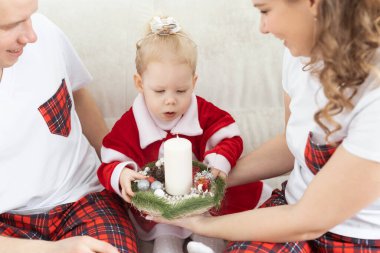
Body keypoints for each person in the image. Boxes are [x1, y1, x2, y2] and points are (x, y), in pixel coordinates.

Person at [151, 0, 380, 252]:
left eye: (264, 11)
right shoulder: (300, 55)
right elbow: (290, 146)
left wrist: (198, 223)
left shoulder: (374, 93)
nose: (263, 27)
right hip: (289, 211)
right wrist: (208, 182)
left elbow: (307, 222)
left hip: (355, 238)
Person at [97, 16, 268, 253]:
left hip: (201, 201)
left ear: (194, 82)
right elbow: (108, 162)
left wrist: (218, 163)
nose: (170, 100)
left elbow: (231, 139)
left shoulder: (204, 113)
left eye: (181, 90)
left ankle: (206, 245)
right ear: (139, 83)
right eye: (159, 91)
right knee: (166, 238)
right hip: (160, 206)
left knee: (209, 225)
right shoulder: (130, 124)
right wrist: (122, 175)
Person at [0, 0, 138, 252]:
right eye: (12, 25)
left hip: (85, 197)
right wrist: (57, 250)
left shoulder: (44, 32)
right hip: (6, 226)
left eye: (30, 16)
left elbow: (78, 95)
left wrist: (116, 166)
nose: (31, 36)